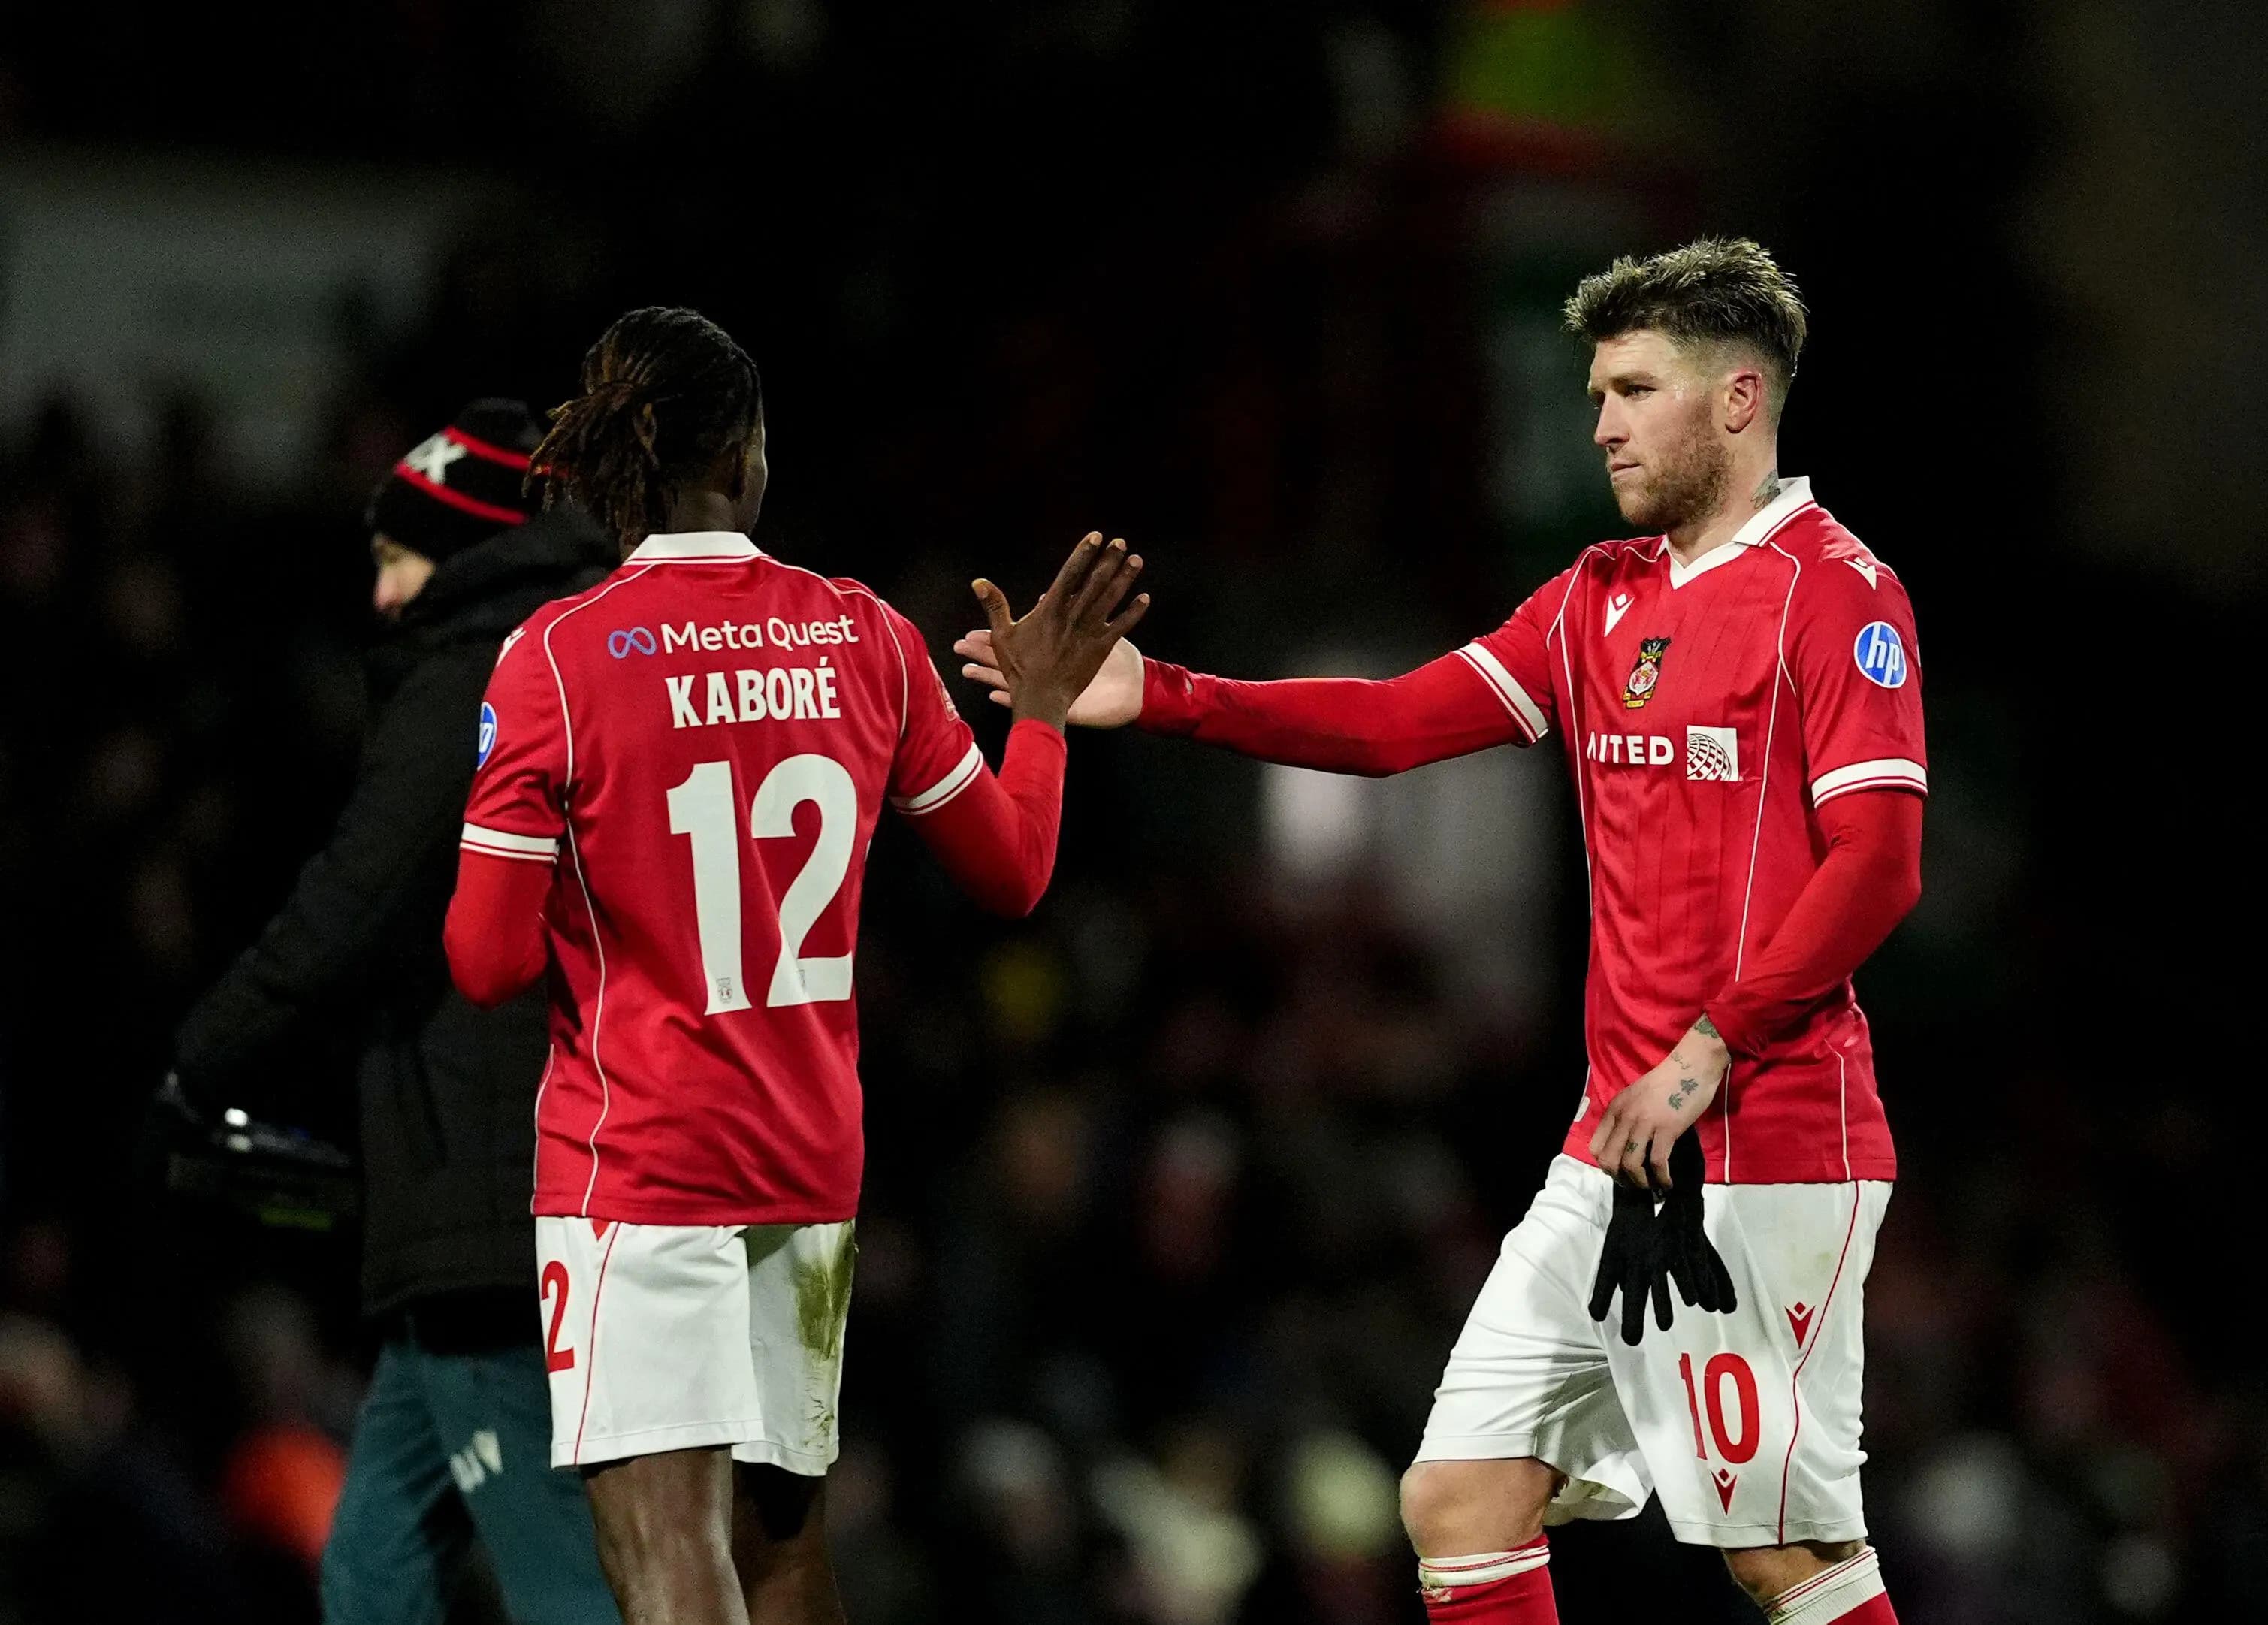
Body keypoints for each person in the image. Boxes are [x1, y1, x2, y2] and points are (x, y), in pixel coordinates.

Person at [957, 238, 1922, 1625]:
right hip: (1612, 1151)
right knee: (1460, 1495)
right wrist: (1161, 694)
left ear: (1737, 399)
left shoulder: (1837, 594)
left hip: (1764, 1147)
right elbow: (1401, 720)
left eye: (1633, 389)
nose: (1596, 423)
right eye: (1595, 391)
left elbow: (1881, 864)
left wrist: (1714, 1043)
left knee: (1788, 1558)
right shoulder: (1600, 596)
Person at [441, 306, 1146, 1625]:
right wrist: (1040, 716)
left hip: (637, 1165)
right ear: (748, 459)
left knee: (668, 1559)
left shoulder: (558, 657)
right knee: (783, 1554)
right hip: (809, 1162)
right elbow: (1013, 875)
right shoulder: (863, 634)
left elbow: (482, 963)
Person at [169, 400, 625, 1623]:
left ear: (470, 543)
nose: (381, 593)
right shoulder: (604, 656)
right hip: (542, 1175)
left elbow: (351, 906)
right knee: (372, 1569)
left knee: (559, 1579)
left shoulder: (471, 677)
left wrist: (204, 1054)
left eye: (397, 555)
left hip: (490, 1188)